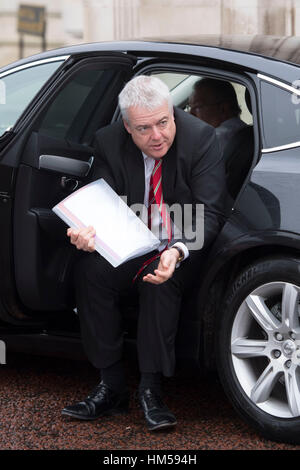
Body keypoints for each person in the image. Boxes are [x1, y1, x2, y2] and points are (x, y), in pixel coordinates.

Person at [61, 75, 226, 431]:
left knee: (159, 280)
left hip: (183, 246)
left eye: (164, 123)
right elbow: (100, 201)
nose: (157, 136)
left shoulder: (201, 139)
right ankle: (111, 385)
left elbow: (211, 212)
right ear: (127, 127)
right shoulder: (109, 141)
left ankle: (151, 390)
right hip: (133, 242)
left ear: (173, 113)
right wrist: (86, 231)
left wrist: (178, 251)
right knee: (89, 270)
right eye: (144, 128)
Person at [188, 78, 247, 151]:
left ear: (223, 108)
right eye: (190, 107)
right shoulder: (244, 130)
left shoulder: (217, 139)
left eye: (197, 107)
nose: (190, 114)